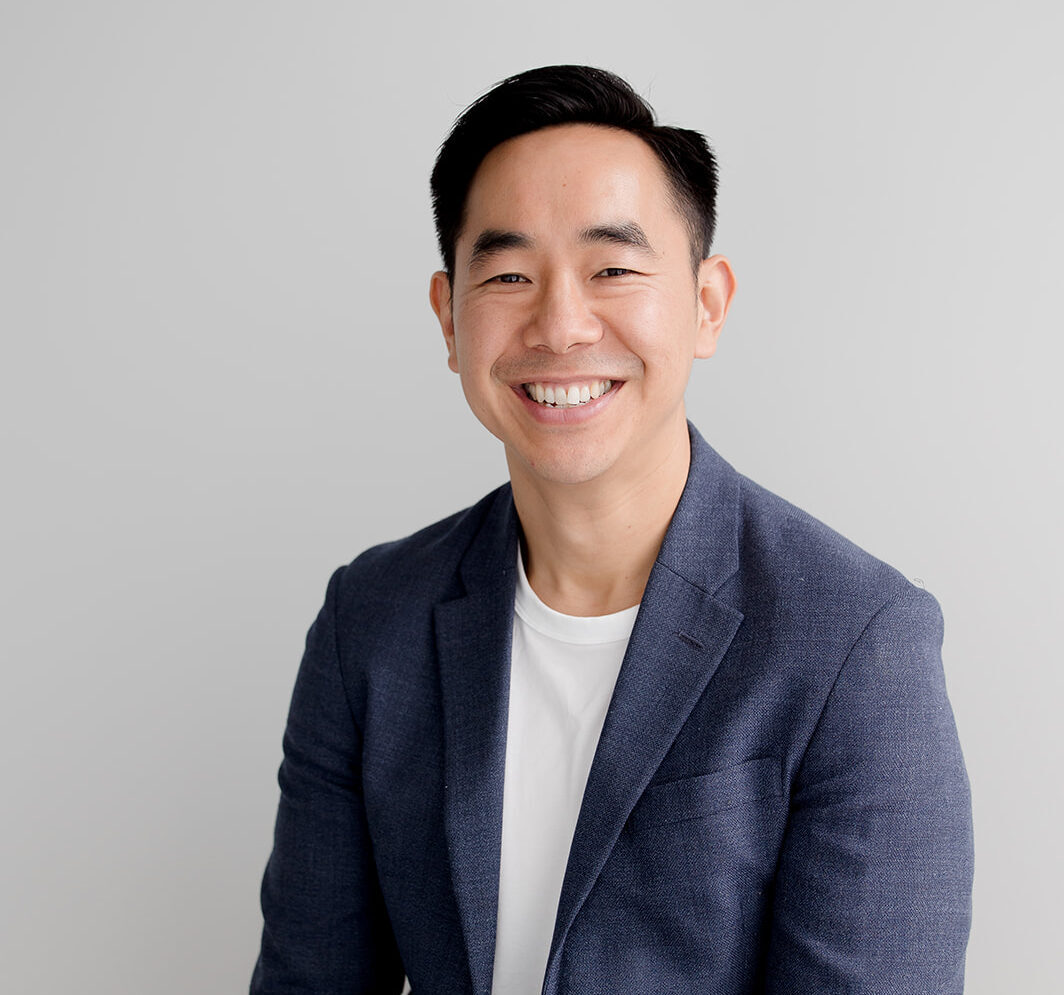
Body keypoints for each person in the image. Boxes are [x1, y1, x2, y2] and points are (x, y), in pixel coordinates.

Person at [250, 65, 973, 995]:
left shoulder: (856, 640)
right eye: (509, 273)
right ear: (448, 317)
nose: (560, 323)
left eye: (614, 269)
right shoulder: (371, 618)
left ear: (708, 302)